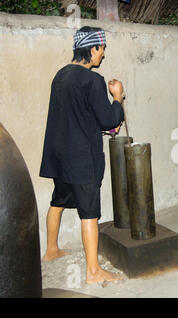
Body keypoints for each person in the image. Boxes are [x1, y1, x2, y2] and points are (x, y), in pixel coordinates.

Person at [39, 26, 125, 284]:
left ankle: (51, 250)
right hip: (81, 158)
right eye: (102, 49)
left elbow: (81, 117)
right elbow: (108, 118)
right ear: (93, 48)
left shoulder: (60, 75)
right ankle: (93, 271)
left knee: (58, 201)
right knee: (90, 212)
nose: (103, 55)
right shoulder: (92, 80)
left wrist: (106, 125)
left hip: (59, 156)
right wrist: (118, 97)